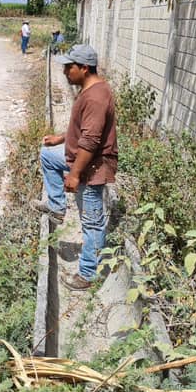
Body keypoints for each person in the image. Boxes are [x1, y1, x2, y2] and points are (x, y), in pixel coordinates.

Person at [32, 43, 117, 290]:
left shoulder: (96, 98)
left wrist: (75, 174)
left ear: (84, 67)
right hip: (78, 157)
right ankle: (57, 207)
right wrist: (61, 138)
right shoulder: (89, 90)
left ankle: (88, 275)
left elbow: (90, 141)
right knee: (48, 155)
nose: (65, 72)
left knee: (91, 222)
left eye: (70, 67)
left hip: (91, 168)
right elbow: (82, 130)